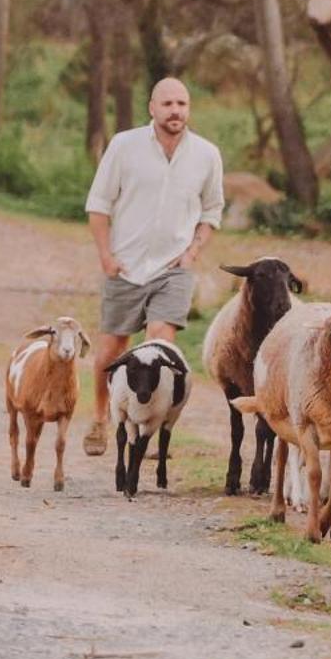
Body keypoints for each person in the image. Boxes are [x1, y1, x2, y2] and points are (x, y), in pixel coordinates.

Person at [81, 76, 224, 457]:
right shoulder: (124, 146)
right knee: (112, 352)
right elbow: (98, 205)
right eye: (168, 104)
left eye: (182, 103)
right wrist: (106, 256)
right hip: (125, 266)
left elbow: (212, 211)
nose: (175, 110)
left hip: (173, 268)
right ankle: (100, 417)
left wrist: (193, 251)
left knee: (159, 346)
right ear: (152, 107)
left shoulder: (206, 155)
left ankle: (145, 429)